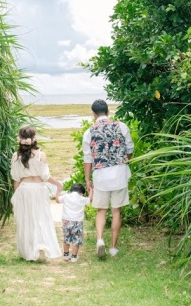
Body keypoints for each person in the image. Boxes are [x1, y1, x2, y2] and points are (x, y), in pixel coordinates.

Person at [82, 99, 134, 258]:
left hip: (100, 176)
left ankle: (99, 240)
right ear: (108, 112)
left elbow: (88, 159)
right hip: (119, 174)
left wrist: (87, 179)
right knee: (116, 211)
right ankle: (113, 248)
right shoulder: (121, 126)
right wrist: (123, 161)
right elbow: (130, 149)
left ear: (93, 114)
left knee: (101, 210)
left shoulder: (89, 132)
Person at [10, 126, 63, 262]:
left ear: (20, 139)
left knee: (27, 220)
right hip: (39, 189)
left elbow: (16, 179)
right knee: (41, 218)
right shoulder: (41, 155)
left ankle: (30, 251)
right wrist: (58, 184)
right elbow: (45, 176)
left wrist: (16, 197)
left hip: (24, 189)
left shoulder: (16, 156)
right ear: (34, 138)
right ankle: (41, 246)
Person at [57, 184, 90, 263]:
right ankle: (74, 257)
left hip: (66, 221)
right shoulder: (82, 198)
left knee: (66, 238)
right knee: (76, 239)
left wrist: (58, 191)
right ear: (81, 193)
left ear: (70, 191)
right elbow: (90, 199)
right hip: (77, 222)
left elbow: (57, 200)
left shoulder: (66, 196)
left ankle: (66, 255)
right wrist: (91, 190)